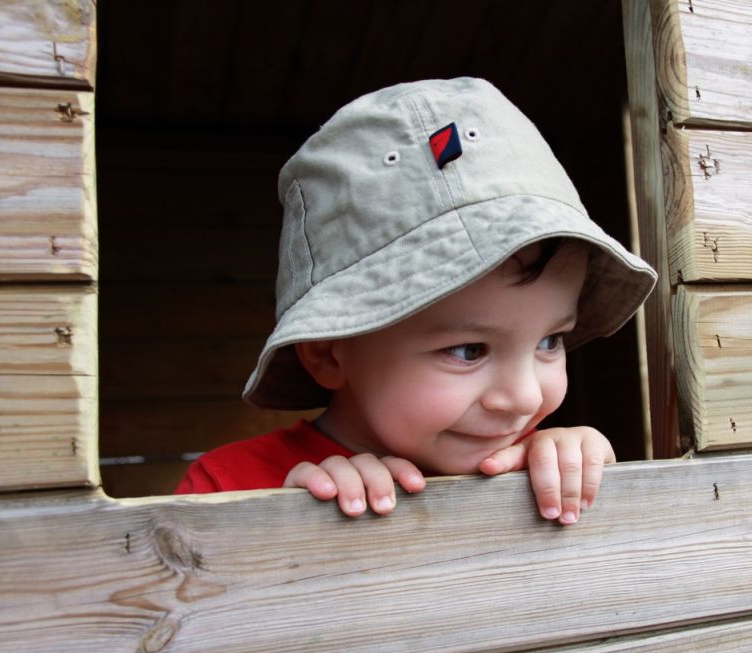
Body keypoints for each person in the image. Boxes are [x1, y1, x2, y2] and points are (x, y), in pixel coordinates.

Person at [175, 78, 656, 525]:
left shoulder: (536, 470)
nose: (526, 398)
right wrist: (286, 525)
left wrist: (582, 476)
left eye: (550, 341)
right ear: (327, 350)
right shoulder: (226, 489)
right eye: (469, 350)